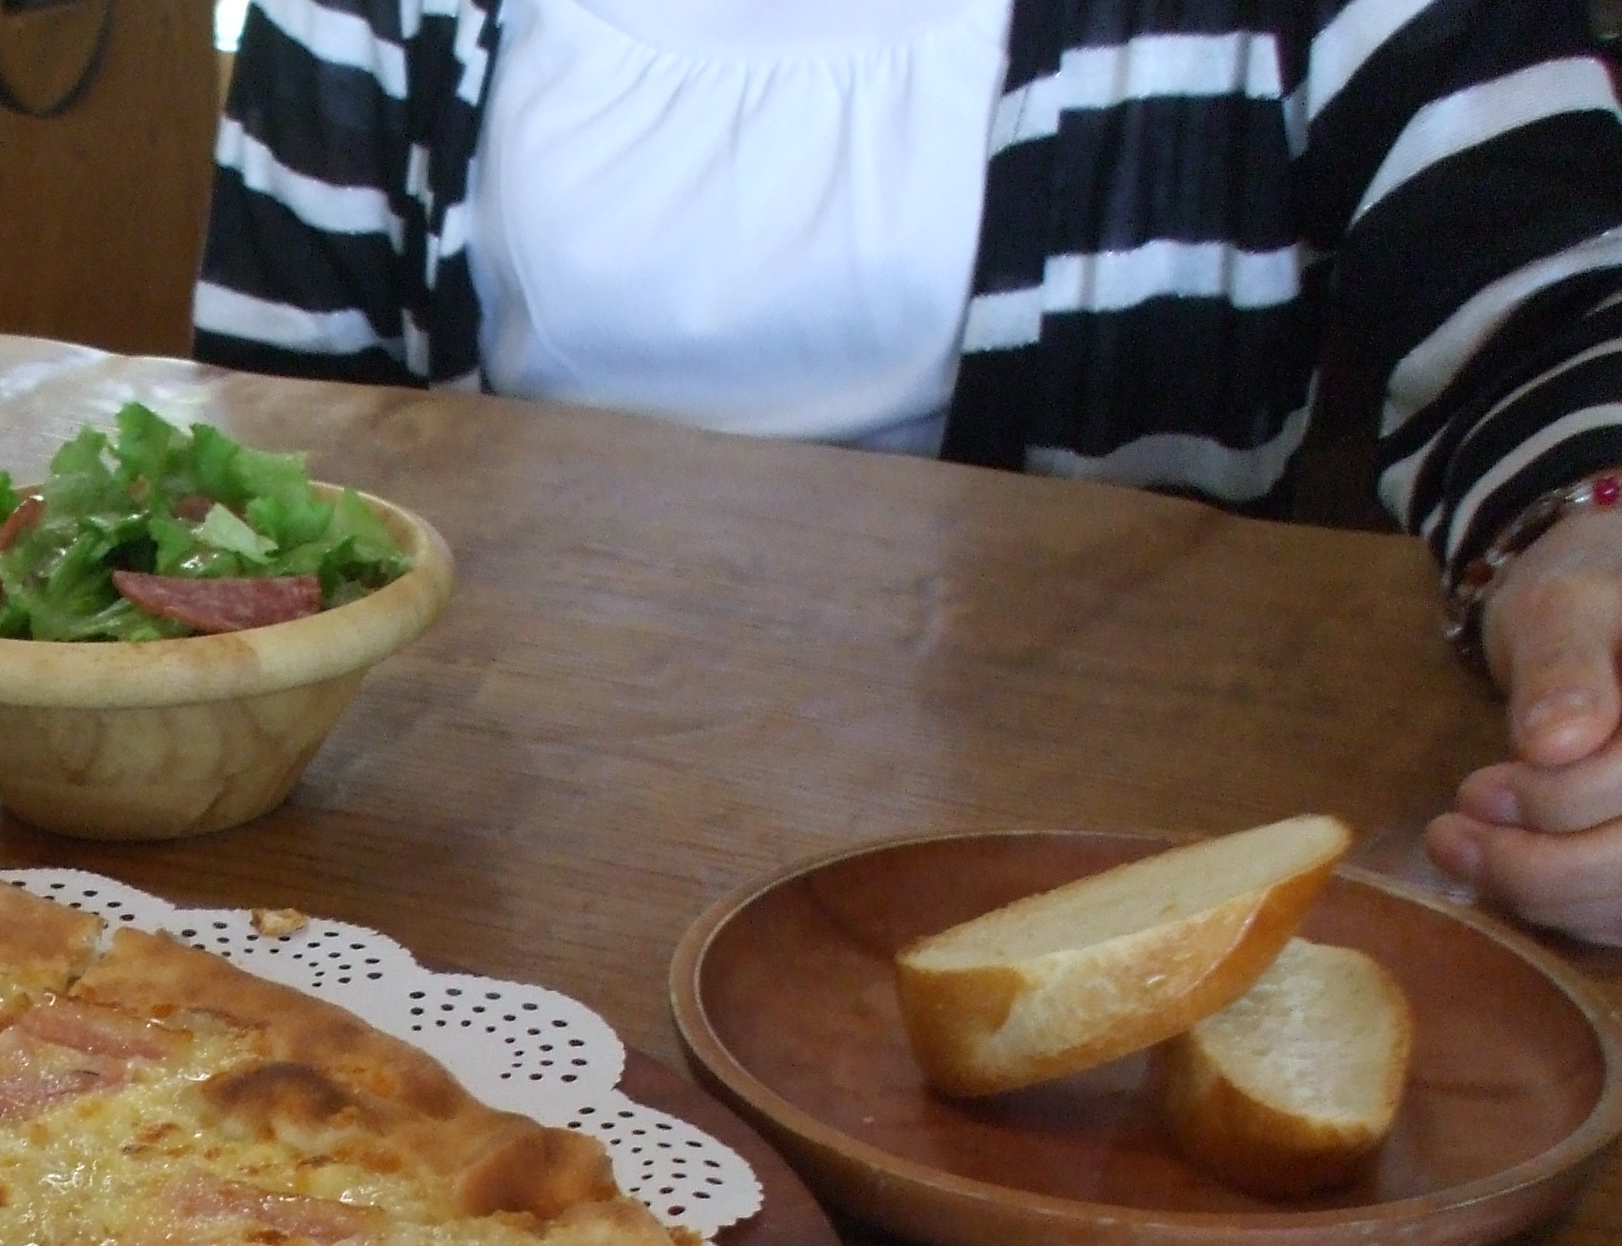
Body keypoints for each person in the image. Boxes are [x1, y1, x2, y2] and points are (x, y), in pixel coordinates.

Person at [193, 0, 1622, 941]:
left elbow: (1561, 311)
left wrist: (1587, 553)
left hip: (1090, 890)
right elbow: (285, 468)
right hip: (454, 884)